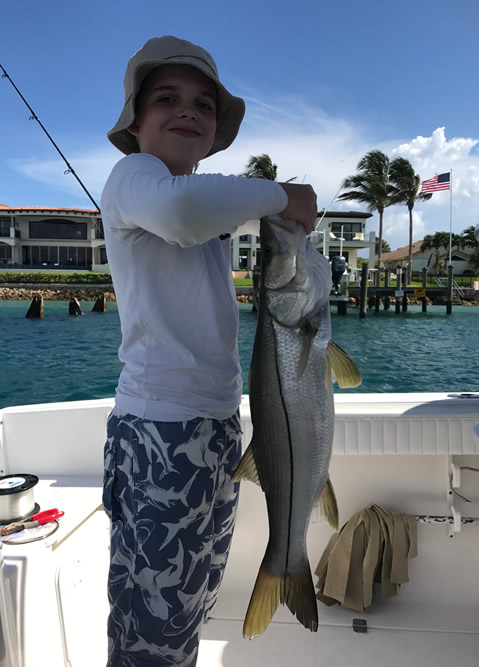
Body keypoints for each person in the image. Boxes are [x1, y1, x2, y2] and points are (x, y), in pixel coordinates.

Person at [100, 35, 317, 667]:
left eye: (204, 103)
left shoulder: (201, 197)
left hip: (214, 426)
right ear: (135, 123)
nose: (187, 110)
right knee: (154, 623)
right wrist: (284, 196)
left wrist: (284, 222)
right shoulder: (136, 179)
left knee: (188, 598)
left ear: (217, 128)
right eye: (166, 98)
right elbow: (188, 210)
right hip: (163, 429)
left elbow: (215, 209)